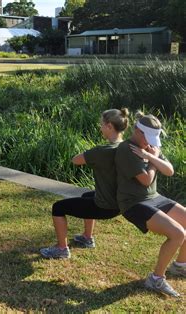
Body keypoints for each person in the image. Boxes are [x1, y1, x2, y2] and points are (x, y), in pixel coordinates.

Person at [40, 109, 128, 259]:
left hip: (104, 207)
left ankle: (62, 249)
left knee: (58, 207)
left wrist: (92, 155)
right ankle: (87, 238)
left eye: (101, 125)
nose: (100, 128)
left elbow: (75, 160)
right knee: (86, 195)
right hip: (120, 204)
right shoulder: (127, 147)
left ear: (109, 126)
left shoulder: (102, 151)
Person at [115, 112, 185, 298]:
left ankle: (180, 266)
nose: (149, 142)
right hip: (133, 203)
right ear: (137, 131)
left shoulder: (150, 147)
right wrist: (153, 161)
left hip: (154, 197)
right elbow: (146, 180)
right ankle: (156, 279)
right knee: (178, 233)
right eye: (146, 137)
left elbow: (169, 171)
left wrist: (150, 156)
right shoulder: (126, 149)